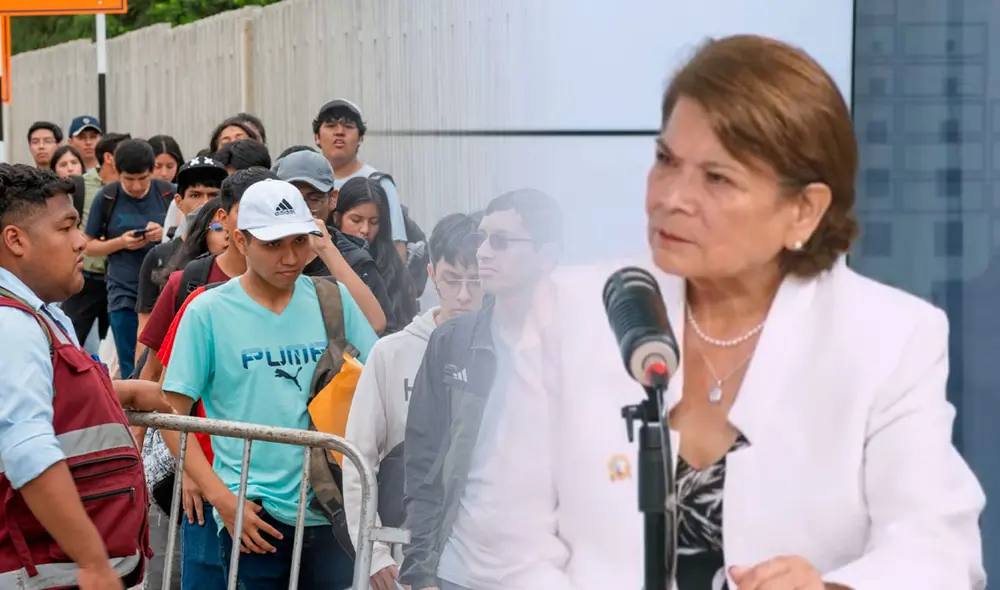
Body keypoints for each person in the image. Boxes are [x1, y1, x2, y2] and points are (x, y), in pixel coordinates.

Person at [541, 35, 987, 590]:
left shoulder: (890, 338)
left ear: (805, 210)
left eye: (717, 178)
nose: (671, 197)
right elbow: (511, 539)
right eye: (666, 161)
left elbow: (937, 552)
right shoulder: (571, 309)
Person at [160, 179, 379, 589]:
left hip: (333, 509)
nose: (291, 257)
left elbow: (378, 379)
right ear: (241, 241)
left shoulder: (332, 299)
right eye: (274, 244)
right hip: (255, 517)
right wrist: (224, 502)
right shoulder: (207, 312)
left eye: (299, 241)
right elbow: (174, 416)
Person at [0, 163, 173, 590]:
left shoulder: (41, 314)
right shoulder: (13, 326)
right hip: (44, 572)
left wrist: (118, 391)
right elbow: (27, 448)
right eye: (67, 227)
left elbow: (42, 398)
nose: (82, 242)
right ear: (16, 240)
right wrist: (92, 560)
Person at [401, 189, 566, 590]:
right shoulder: (452, 341)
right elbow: (423, 461)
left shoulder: (582, 346)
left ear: (546, 256)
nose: (484, 253)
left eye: (502, 241)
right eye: (482, 238)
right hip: (459, 571)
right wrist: (421, 571)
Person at [345, 212, 483, 590]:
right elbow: (359, 457)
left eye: (477, 281)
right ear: (432, 274)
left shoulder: (507, 353)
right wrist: (372, 551)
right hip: (401, 552)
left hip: (478, 558)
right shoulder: (392, 353)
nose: (464, 295)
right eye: (453, 279)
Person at [274, 148, 393, 321]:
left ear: (332, 199)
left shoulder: (355, 260)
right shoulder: (263, 251)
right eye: (292, 199)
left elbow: (381, 329)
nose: (303, 208)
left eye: (314, 199)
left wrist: (326, 249)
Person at [83, 139, 169, 380]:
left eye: (143, 178)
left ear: (152, 171)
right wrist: (120, 243)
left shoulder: (169, 193)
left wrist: (164, 233)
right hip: (123, 290)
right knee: (130, 359)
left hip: (162, 290)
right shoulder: (107, 197)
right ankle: (134, 416)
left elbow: (187, 236)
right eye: (129, 179)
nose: (137, 185)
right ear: (117, 173)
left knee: (163, 359)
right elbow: (87, 246)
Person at [136, 156, 229, 334]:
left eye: (213, 195)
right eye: (195, 195)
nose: (204, 203)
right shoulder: (159, 256)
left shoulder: (236, 253)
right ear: (179, 202)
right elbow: (146, 330)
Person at [60, 132, 131, 356]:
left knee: (115, 348)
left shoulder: (135, 189)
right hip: (88, 275)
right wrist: (120, 242)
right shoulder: (81, 185)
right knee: (68, 340)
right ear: (110, 157)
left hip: (120, 280)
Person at [313, 98, 409, 261]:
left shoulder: (380, 184)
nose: (339, 132)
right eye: (331, 125)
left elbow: (397, 249)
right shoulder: (308, 183)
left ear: (360, 139)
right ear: (317, 137)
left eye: (348, 126)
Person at [334, 177, 418, 332]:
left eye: (373, 222)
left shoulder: (392, 268)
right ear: (337, 218)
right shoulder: (326, 260)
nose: (365, 229)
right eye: (356, 220)